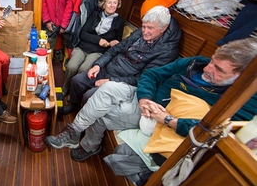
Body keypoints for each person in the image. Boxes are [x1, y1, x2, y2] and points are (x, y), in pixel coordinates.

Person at [48, 37, 257, 166]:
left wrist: (168, 119)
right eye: (212, 61)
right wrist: (145, 97)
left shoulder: (243, 99)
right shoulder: (196, 63)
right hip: (143, 97)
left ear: (243, 77)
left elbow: (218, 131)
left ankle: (88, 145)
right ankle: (74, 131)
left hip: (156, 117)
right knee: (108, 87)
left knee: (102, 113)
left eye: (219, 70)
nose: (208, 69)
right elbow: (152, 75)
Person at [61, 5, 181, 115]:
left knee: (89, 96)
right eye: (143, 26)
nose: (145, 31)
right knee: (77, 80)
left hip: (123, 82)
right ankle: (73, 105)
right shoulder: (139, 33)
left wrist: (109, 81)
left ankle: (84, 114)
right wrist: (98, 65)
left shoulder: (168, 51)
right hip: (108, 69)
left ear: (163, 28)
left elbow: (142, 78)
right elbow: (115, 50)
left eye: (150, 28)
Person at [62, 0, 125, 96]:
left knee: (83, 69)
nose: (112, 5)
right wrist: (98, 40)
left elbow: (117, 41)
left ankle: (73, 93)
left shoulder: (119, 21)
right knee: (71, 67)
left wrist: (113, 43)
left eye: (115, 3)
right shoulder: (95, 14)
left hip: (98, 52)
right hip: (83, 47)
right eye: (109, 2)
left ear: (118, 5)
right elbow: (83, 34)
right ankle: (65, 87)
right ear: (104, 4)